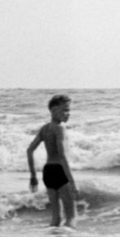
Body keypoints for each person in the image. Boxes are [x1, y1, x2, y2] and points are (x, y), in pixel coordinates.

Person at [27, 94, 78, 227]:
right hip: (60, 170)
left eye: (69, 110)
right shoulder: (60, 128)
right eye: (65, 110)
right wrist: (72, 182)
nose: (68, 113)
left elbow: (29, 150)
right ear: (54, 110)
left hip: (48, 172)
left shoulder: (44, 129)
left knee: (56, 218)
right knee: (71, 217)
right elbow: (62, 156)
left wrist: (33, 176)